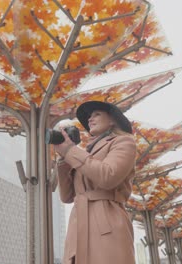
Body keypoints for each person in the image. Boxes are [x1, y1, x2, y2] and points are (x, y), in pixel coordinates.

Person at [54, 101, 137, 264]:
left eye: (96, 114)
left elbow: (108, 176)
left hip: (107, 223)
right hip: (78, 226)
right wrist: (63, 159)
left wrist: (71, 151)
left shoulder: (124, 142)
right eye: (89, 117)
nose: (90, 119)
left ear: (112, 119)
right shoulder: (84, 154)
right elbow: (67, 196)